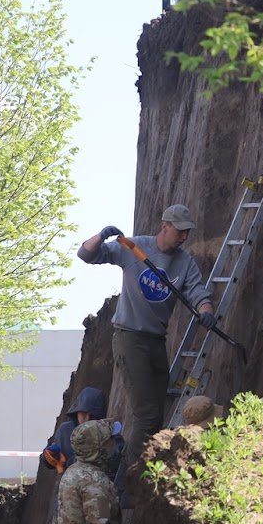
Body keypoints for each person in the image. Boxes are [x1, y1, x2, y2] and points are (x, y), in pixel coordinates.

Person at [77, 205, 216, 484]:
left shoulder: (183, 262)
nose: (184, 236)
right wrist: (101, 235)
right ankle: (129, 480)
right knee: (145, 411)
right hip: (129, 338)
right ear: (165, 226)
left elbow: (197, 290)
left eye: (187, 231)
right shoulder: (135, 248)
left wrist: (206, 310)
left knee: (158, 407)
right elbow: (86, 254)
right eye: (180, 230)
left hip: (155, 340)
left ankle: (145, 467)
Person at [40, 386, 121, 477]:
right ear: (76, 412)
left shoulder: (106, 434)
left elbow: (115, 465)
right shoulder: (65, 430)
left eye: (92, 415)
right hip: (70, 484)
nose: (87, 418)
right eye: (83, 413)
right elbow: (50, 459)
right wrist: (48, 457)